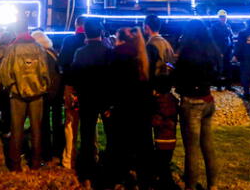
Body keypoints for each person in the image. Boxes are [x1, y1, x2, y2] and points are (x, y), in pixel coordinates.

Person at [0, 18, 51, 171]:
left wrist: (12, 87)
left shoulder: (12, 49)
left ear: (16, 31)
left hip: (17, 94)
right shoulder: (39, 48)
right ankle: (35, 162)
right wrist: (43, 86)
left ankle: (14, 164)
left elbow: (4, 72)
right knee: (36, 129)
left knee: (16, 128)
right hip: (37, 94)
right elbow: (45, 72)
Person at [175, 19, 219, 190]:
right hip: (208, 99)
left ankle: (190, 186)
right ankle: (213, 185)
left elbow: (178, 78)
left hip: (192, 102)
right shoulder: (211, 50)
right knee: (208, 147)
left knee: (191, 149)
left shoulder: (187, 53)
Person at [69, 18, 113, 188]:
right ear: (101, 32)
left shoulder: (80, 52)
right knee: (111, 136)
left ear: (85, 32)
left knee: (87, 136)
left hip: (87, 99)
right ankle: (109, 170)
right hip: (105, 99)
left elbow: (74, 76)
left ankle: (87, 173)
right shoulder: (109, 51)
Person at [109, 27, 154, 190]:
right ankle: (144, 179)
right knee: (142, 144)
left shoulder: (117, 54)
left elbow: (112, 82)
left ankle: (120, 177)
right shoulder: (143, 53)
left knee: (120, 145)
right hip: (141, 106)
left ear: (118, 39)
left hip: (123, 106)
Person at [143, 15, 178, 189]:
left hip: (156, 94)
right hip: (167, 93)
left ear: (146, 27)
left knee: (155, 131)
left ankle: (158, 171)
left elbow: (148, 71)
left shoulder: (151, 45)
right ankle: (162, 168)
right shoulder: (167, 45)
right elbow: (172, 67)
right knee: (165, 132)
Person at [32, 30, 63, 163]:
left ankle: (46, 152)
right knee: (57, 121)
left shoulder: (40, 55)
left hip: (46, 92)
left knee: (43, 123)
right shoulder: (53, 52)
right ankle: (58, 149)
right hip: (57, 91)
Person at [59, 16, 86, 169]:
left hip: (71, 86)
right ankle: (92, 154)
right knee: (90, 123)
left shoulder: (69, 41)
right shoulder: (92, 40)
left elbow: (61, 63)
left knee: (70, 123)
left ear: (76, 25)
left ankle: (68, 159)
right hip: (89, 87)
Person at [211, 10, 235, 91]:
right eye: (221, 17)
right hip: (219, 51)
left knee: (228, 68)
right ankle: (219, 86)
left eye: (224, 17)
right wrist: (218, 51)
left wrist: (232, 48)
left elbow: (231, 37)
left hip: (227, 51)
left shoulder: (228, 26)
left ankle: (228, 86)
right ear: (219, 18)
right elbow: (212, 40)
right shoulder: (214, 27)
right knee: (219, 69)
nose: (223, 18)